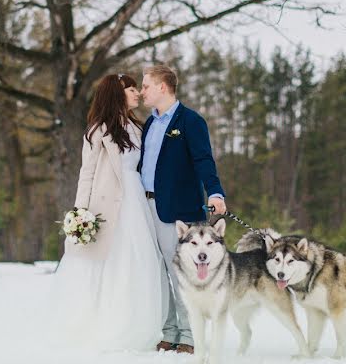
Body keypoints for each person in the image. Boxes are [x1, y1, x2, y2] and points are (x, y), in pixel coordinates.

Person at [51, 73, 167, 350]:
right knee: (109, 263)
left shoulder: (139, 128)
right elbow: (86, 173)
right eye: (131, 89)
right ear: (117, 93)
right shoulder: (97, 130)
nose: (137, 93)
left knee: (138, 263)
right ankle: (104, 325)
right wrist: (80, 212)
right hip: (107, 204)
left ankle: (137, 325)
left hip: (136, 200)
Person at [139, 64, 227, 355]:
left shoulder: (190, 121)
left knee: (182, 274)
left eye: (146, 86)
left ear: (162, 87)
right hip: (147, 207)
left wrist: (215, 192)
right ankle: (170, 331)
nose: (142, 92)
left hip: (178, 211)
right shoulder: (150, 124)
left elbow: (204, 160)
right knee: (159, 273)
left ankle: (190, 335)